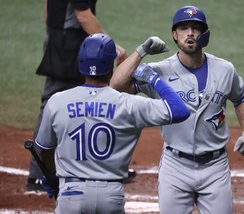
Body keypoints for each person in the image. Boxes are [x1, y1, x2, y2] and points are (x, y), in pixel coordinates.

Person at [110, 5, 244, 214]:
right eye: (184, 28)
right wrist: (141, 51)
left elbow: (243, 98)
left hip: (215, 167)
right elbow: (116, 85)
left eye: (196, 28)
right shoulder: (159, 71)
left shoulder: (225, 69)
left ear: (205, 34)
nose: (190, 33)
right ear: (174, 34)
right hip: (175, 167)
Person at [34, 33, 189, 213]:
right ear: (110, 67)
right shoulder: (130, 104)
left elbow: (44, 149)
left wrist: (52, 178)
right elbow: (179, 110)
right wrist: (153, 79)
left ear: (80, 64)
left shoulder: (57, 102)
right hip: (111, 195)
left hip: (71, 193)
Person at [27, 0, 128, 190]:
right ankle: (39, 175)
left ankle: (84, 166)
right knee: (55, 101)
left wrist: (55, 29)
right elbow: (82, 14)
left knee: (79, 101)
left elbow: (47, 2)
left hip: (61, 37)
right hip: (70, 44)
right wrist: (108, 45)